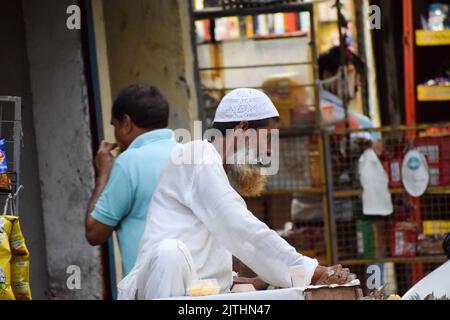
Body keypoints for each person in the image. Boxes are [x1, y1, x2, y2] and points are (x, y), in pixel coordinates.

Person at [117, 88, 353, 300]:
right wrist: (310, 270)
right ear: (242, 128)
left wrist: (238, 281)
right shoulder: (197, 155)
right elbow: (241, 228)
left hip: (190, 295)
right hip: (156, 288)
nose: (270, 149)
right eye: (268, 137)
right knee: (170, 252)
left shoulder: (212, 168)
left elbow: (205, 249)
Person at [85, 84, 177, 277]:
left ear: (126, 123)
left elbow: (94, 233)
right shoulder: (188, 155)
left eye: (115, 126)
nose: (116, 135)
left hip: (148, 288)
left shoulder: (128, 163)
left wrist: (104, 174)